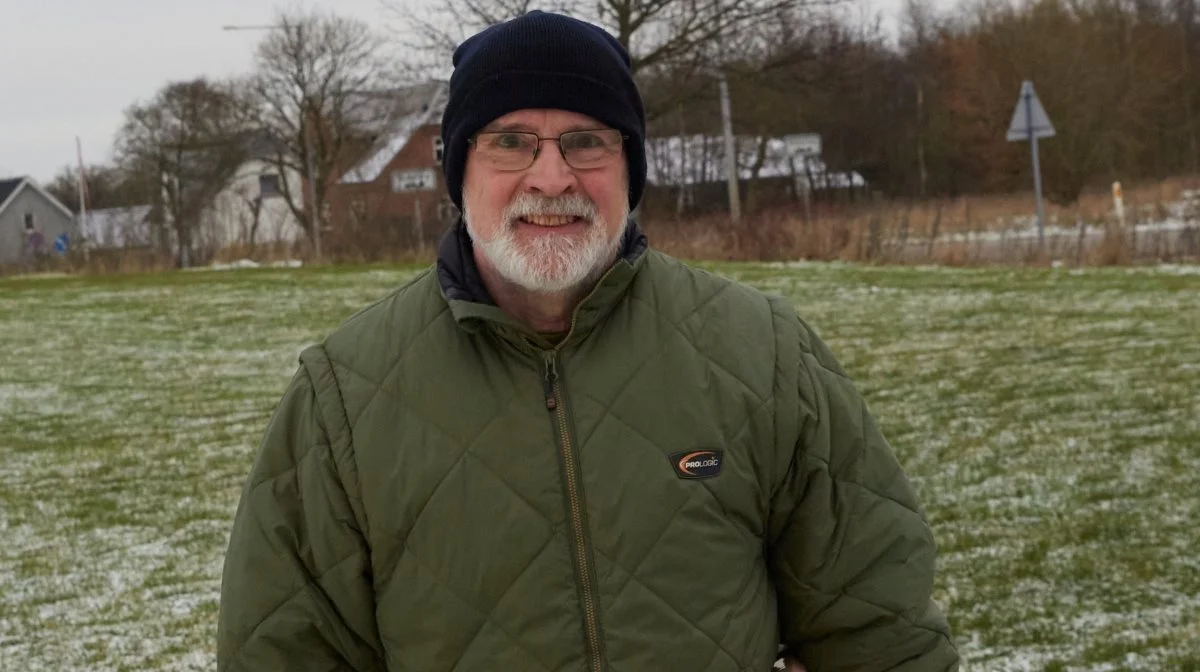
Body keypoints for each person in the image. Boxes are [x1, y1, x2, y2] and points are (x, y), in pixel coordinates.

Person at [217, 10, 959, 672]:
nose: (550, 176)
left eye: (586, 141)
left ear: (629, 166)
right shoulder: (345, 394)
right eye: (510, 142)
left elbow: (880, 628)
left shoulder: (763, 354)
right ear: (460, 168)